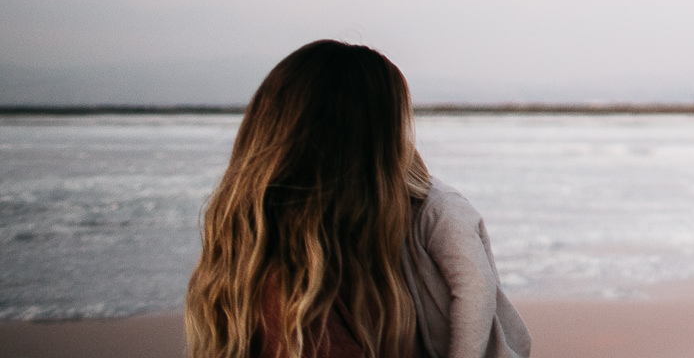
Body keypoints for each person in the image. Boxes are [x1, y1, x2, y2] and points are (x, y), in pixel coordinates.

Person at [185, 40, 531, 358]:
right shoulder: (303, 289)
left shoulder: (287, 261)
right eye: (395, 133)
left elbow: (476, 289)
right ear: (364, 155)